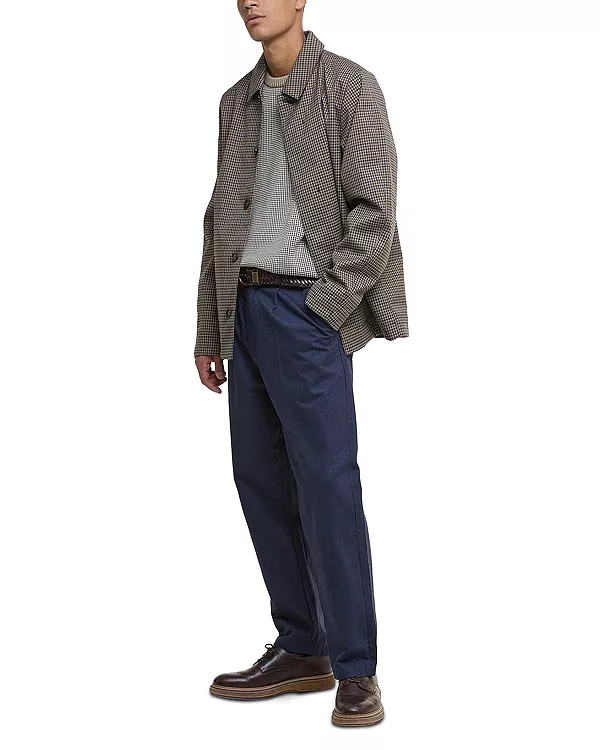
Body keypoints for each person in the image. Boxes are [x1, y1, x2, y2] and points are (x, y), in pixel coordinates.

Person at [194, 0, 408, 728]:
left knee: (327, 488)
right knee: (258, 480)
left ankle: (357, 670)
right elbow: (218, 220)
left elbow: (374, 210)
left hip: (307, 311)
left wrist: (329, 305)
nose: (250, 2)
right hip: (246, 309)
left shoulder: (349, 86)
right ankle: (302, 643)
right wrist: (210, 327)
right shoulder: (236, 101)